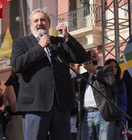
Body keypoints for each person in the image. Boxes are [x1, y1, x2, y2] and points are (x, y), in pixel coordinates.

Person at [11, 8, 88, 140]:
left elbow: (82, 57)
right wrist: (39, 47)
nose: (39, 23)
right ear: (30, 26)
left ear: (48, 23)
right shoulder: (21, 43)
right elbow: (17, 65)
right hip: (35, 105)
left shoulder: (59, 42)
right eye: (36, 21)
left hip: (60, 104)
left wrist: (67, 37)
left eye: (43, 20)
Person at [72, 49, 122, 140]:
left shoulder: (106, 69)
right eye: (89, 56)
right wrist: (75, 68)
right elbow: (71, 87)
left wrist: (93, 70)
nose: (91, 57)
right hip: (85, 115)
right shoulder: (82, 76)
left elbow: (111, 81)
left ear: (98, 59)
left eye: (94, 55)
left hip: (102, 114)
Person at [104, 59, 127, 140]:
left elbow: (123, 103)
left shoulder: (121, 84)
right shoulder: (101, 83)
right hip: (104, 121)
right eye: (111, 66)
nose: (113, 69)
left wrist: (118, 118)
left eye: (115, 67)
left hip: (117, 121)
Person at [4, 68, 24, 140]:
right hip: (18, 120)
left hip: (31, 119)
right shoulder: (11, 87)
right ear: (17, 73)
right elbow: (14, 108)